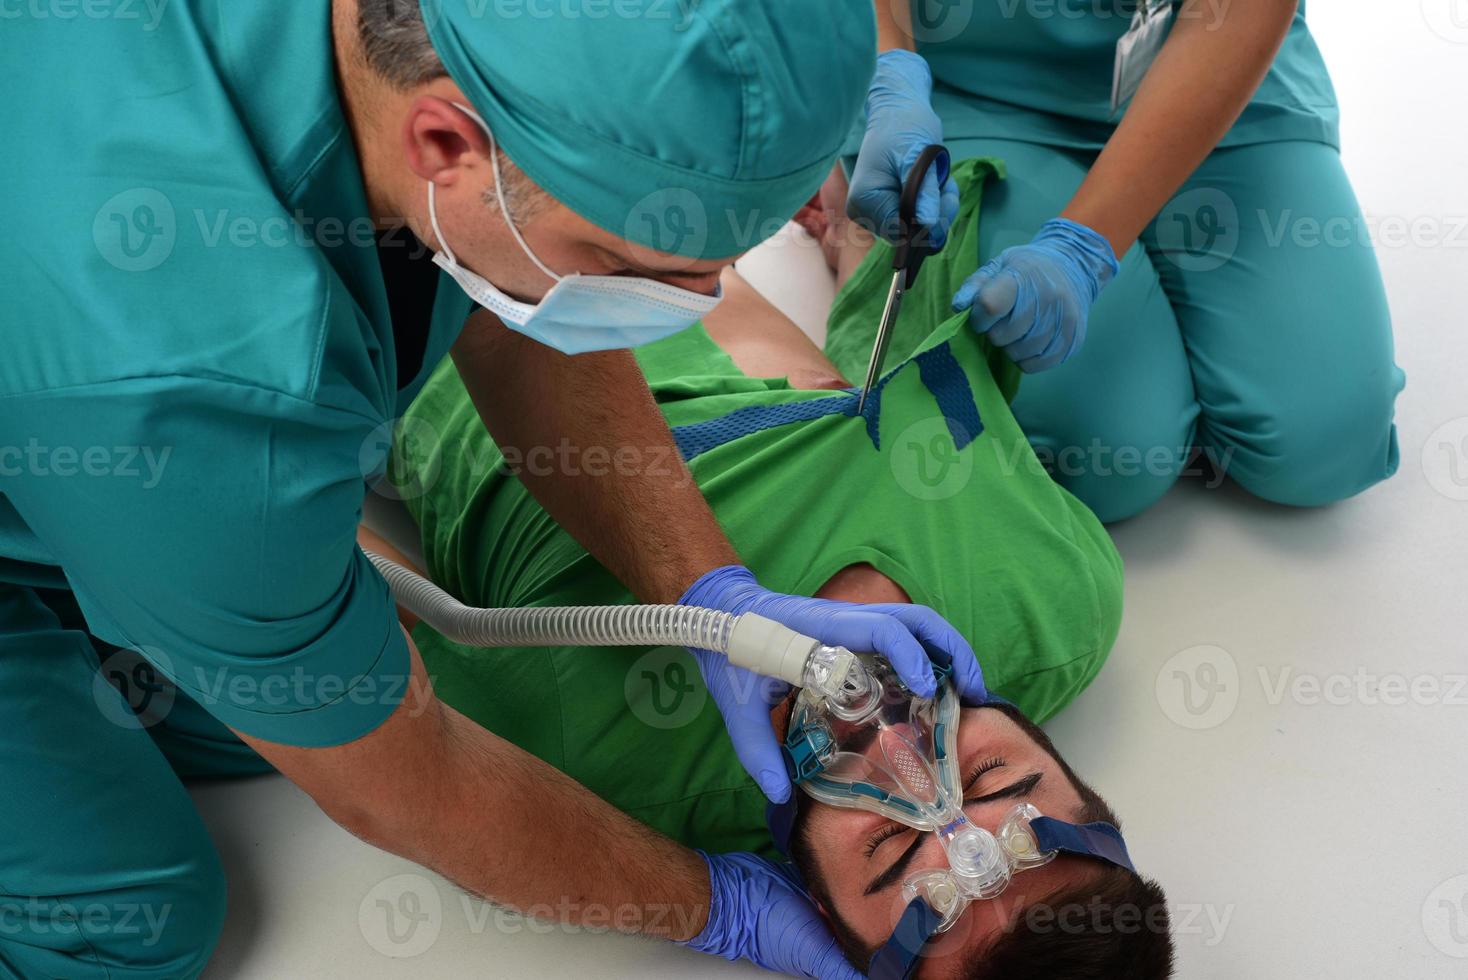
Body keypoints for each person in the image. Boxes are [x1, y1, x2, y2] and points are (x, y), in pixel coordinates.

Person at [0, 2, 981, 977]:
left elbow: (512, 287)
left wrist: (710, 594)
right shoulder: (200, 394)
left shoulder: (463, 88)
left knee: (310, 672)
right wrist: (712, 903)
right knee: (128, 915)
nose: (690, 309)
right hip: (102, 406)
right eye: (629, 269)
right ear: (442, 139)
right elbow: (400, 783)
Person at [376, 156, 1173, 976]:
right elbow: (911, 387)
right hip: (722, 312)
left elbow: (319, 602)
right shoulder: (1060, 595)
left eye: (891, 846)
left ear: (818, 913)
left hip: (452, 311)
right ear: (1072, 773)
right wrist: (871, 220)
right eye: (988, 770)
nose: (895, 741)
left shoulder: (595, 766)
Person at [846, 0, 1405, 522]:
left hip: (1219, 55)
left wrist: (1084, 248)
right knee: (1105, 452)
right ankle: (840, 206)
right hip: (970, 72)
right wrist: (888, 74)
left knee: (1326, 439)